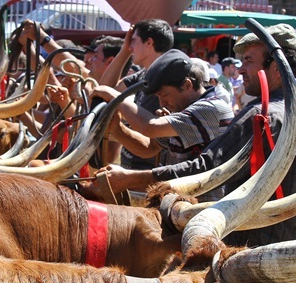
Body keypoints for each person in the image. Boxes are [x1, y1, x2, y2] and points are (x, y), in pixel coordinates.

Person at [86, 23, 296, 250]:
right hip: (271, 247)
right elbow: (151, 147)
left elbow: (206, 170)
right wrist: (118, 133)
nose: (240, 69)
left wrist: (129, 179)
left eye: (249, 60)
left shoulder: (263, 115)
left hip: (245, 250)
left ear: (276, 68)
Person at [91, 50, 234, 201]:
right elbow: (149, 148)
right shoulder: (183, 111)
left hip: (204, 211)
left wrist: (114, 96)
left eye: (164, 94)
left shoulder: (211, 109)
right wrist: (117, 129)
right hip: (181, 207)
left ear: (187, 84)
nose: (162, 103)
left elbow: (149, 127)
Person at [99, 19, 174, 170]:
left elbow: (150, 133)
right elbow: (105, 89)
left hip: (149, 169)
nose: (131, 47)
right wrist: (124, 50)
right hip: (134, 163)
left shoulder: (166, 77)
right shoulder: (144, 74)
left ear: (149, 43)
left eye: (133, 41)